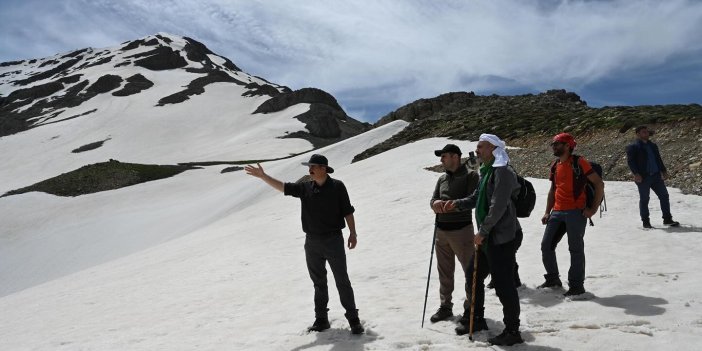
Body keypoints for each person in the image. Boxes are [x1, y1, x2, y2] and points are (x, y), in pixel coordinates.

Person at [244, 154, 364, 335]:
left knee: (342, 281)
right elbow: (283, 187)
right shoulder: (305, 188)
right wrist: (263, 176)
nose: (310, 170)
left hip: (334, 240)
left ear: (323, 168)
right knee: (318, 283)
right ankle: (321, 320)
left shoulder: (338, 186)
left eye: (313, 166)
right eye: (309, 167)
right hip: (312, 242)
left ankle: (354, 321)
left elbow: (348, 211)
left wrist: (353, 233)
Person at [444, 134, 523, 346]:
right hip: (489, 239)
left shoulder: (503, 172)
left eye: (480, 147)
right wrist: (455, 204)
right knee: (473, 275)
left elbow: (498, 206)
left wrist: (484, 231)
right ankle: (476, 318)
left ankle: (513, 330)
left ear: (493, 148)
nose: (476, 151)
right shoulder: (487, 172)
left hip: (501, 238)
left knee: (504, 284)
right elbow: (476, 198)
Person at [539, 133, 604, 296]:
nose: (553, 146)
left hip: (576, 212)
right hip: (557, 212)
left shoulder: (579, 162)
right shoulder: (555, 165)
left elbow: (599, 184)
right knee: (546, 246)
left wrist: (593, 210)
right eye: (553, 144)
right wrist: (547, 211)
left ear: (568, 146)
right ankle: (553, 278)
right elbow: (553, 190)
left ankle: (576, 286)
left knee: (575, 249)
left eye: (557, 144)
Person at [428, 144, 479, 323]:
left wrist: (453, 204)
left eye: (444, 156)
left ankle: (471, 309)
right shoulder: (441, 178)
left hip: (462, 230)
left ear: (455, 157)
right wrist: (434, 204)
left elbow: (474, 200)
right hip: (441, 231)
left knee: (469, 271)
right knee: (444, 272)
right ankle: (445, 306)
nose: (441, 160)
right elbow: (433, 199)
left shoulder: (471, 175)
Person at [625, 125, 679, 228]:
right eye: (644, 132)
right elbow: (631, 162)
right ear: (638, 134)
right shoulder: (633, 147)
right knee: (645, 199)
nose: (646, 133)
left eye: (647, 132)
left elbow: (658, 159)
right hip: (643, 177)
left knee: (664, 196)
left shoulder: (653, 146)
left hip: (656, 176)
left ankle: (667, 219)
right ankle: (646, 221)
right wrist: (636, 174)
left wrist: (664, 170)